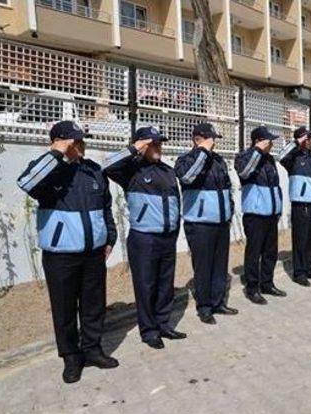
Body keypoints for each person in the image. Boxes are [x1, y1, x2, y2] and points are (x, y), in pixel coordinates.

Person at [17, 121, 118, 384]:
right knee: (64, 309)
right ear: (62, 142)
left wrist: (110, 236)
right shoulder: (48, 171)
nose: (81, 145)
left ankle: (93, 350)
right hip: (61, 255)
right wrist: (56, 152)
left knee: (94, 305)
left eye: (82, 140)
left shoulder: (93, 171)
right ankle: (71, 358)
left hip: (93, 253)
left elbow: (106, 207)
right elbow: (26, 182)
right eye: (76, 141)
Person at [104, 126, 187, 349]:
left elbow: (175, 203)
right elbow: (107, 166)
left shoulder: (168, 171)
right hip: (144, 239)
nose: (159, 147)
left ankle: (163, 324)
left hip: (167, 237)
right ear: (143, 146)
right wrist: (134, 148)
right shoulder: (130, 170)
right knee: (146, 285)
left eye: (160, 143)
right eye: (154, 144)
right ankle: (149, 331)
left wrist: (174, 231)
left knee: (164, 285)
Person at [174, 123, 238, 326]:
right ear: (198, 139)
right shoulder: (185, 160)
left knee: (220, 265)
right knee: (203, 267)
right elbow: (188, 176)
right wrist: (202, 152)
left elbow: (227, 187)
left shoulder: (218, 161)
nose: (214, 143)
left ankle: (218, 302)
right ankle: (204, 307)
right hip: (199, 224)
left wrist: (229, 211)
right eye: (211, 139)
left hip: (220, 222)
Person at [234, 126, 287, 305]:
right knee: (254, 253)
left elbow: (275, 186)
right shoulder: (244, 157)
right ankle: (252, 288)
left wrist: (278, 208)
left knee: (270, 252)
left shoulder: (270, 160)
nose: (271, 144)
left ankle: (267, 283)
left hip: (271, 214)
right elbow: (244, 172)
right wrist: (257, 151)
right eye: (268, 141)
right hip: (255, 215)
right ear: (258, 141)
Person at [279, 126, 311, 286]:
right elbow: (281, 156)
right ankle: (299, 272)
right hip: (301, 204)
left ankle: (310, 268)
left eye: (310, 139)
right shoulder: (293, 158)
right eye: (307, 138)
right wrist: (296, 143)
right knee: (301, 239)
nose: (310, 141)